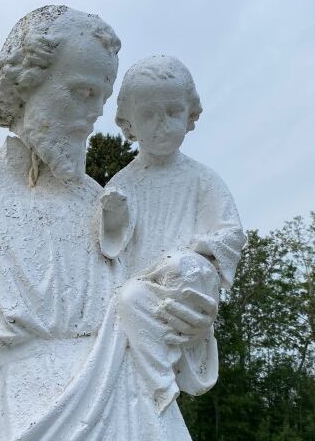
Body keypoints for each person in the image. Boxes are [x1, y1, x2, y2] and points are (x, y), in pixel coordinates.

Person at [0, 7, 220, 441]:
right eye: (81, 92)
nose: (92, 115)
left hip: (136, 411)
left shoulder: (108, 207)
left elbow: (150, 321)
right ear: (26, 84)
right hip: (15, 416)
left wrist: (187, 319)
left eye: (100, 99)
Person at [101, 55, 247, 413]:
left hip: (183, 287)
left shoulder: (203, 179)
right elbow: (107, 252)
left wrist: (200, 250)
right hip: (139, 295)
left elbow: (231, 235)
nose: (162, 125)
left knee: (181, 267)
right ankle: (158, 387)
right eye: (149, 115)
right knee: (129, 298)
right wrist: (113, 221)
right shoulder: (123, 183)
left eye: (172, 112)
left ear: (190, 115)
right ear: (129, 124)